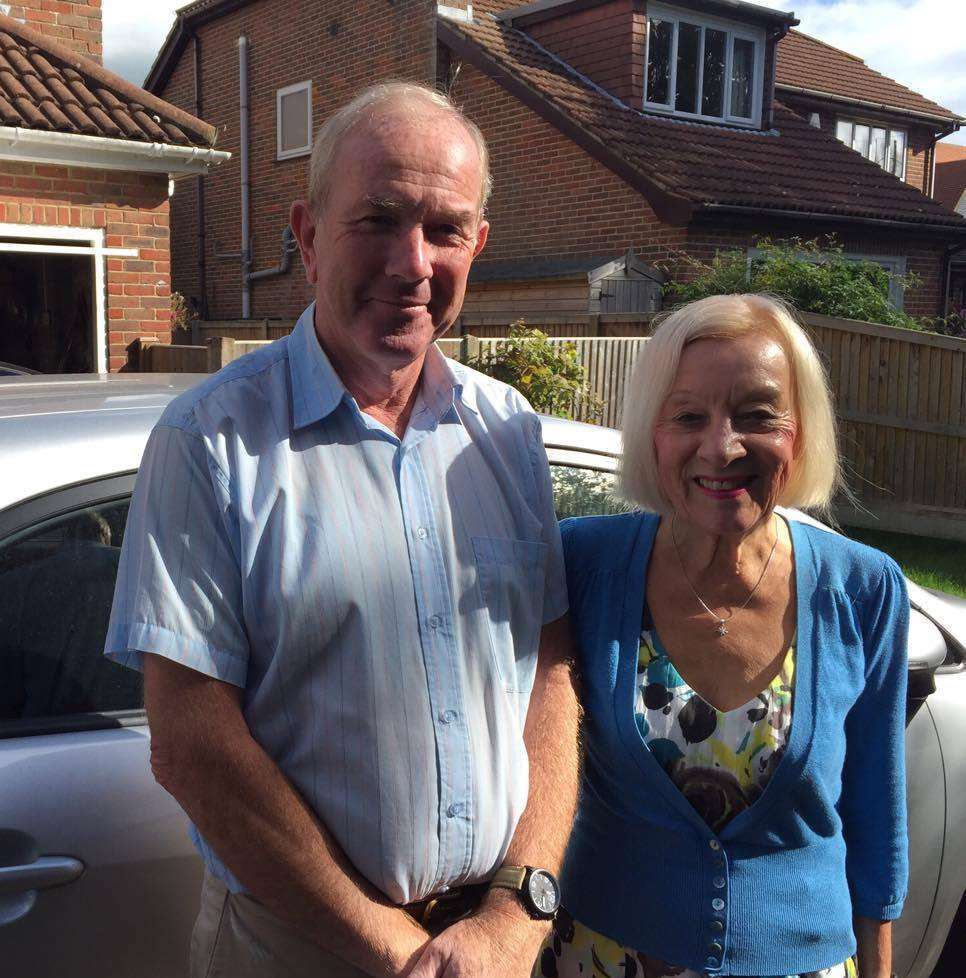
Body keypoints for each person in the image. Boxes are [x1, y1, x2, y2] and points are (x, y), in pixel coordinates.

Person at [104, 81, 581, 978]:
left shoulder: (508, 431)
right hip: (304, 950)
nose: (413, 261)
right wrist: (398, 951)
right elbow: (193, 745)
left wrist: (519, 909)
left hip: (491, 947)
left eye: (445, 229)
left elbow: (546, 677)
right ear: (308, 234)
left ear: (477, 245)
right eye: (378, 219)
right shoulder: (210, 443)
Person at [545, 294, 908, 978]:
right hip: (600, 959)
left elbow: (875, 816)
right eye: (689, 416)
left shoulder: (864, 589)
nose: (722, 446)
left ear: (797, 434)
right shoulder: (583, 565)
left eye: (756, 415)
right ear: (654, 435)